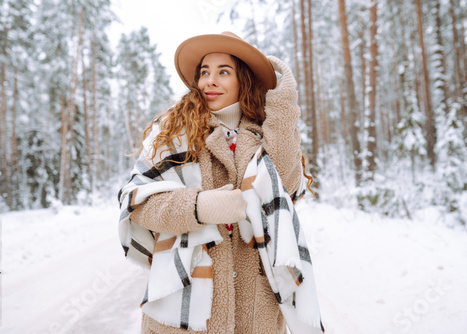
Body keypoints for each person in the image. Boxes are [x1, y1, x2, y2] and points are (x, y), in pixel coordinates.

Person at [118, 31, 324, 334]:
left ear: (243, 79)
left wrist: (282, 104)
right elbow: (136, 202)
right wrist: (199, 207)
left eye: (223, 72)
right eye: (204, 72)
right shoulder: (172, 134)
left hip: (258, 315)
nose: (209, 81)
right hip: (184, 317)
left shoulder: (265, 138)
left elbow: (288, 188)